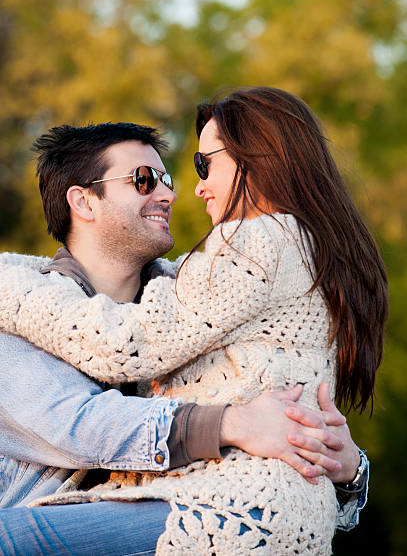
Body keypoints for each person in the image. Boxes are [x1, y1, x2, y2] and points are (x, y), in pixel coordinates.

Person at [0, 99, 383, 553]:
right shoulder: (22, 325)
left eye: (171, 177)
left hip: (220, 510)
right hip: (212, 511)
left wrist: (349, 465)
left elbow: (126, 341)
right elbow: (81, 427)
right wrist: (233, 425)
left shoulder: (205, 282)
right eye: (143, 180)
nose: (173, 193)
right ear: (83, 201)